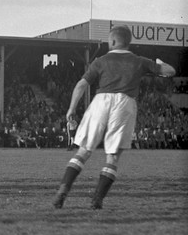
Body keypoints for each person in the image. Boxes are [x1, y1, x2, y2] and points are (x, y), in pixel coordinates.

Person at [53, 24, 175, 210]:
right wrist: (159, 62)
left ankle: (63, 190)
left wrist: (71, 108)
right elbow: (170, 71)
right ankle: (97, 199)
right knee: (112, 157)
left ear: (112, 41)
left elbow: (81, 85)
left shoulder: (100, 61)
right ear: (128, 42)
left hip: (101, 101)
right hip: (125, 103)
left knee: (83, 151)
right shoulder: (139, 61)